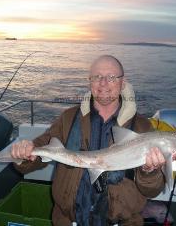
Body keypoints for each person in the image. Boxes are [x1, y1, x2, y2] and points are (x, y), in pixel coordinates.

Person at [11, 55, 166, 226]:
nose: (103, 83)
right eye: (97, 77)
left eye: (111, 77)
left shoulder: (142, 127)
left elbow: (152, 190)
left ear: (123, 83)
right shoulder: (68, 118)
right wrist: (24, 154)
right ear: (89, 82)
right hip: (67, 221)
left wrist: (149, 172)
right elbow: (36, 154)